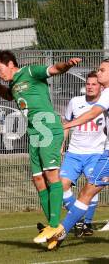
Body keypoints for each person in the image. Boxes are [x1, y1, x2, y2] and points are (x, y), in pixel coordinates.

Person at [0, 50, 81, 250]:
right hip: (34, 130)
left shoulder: (30, 71)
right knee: (38, 179)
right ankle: (53, 231)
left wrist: (68, 65)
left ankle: (54, 226)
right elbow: (9, 97)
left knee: (51, 176)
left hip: (47, 127)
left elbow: (55, 69)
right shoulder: (12, 82)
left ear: (10, 64)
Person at [35, 58, 109, 249]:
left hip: (103, 153)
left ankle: (61, 231)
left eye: (102, 70)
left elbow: (93, 114)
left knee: (87, 191)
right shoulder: (85, 99)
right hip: (83, 153)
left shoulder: (107, 93)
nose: (98, 73)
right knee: (86, 191)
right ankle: (64, 230)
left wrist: (66, 125)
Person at [60, 71, 104, 238]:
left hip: (96, 153)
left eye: (94, 84)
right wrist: (61, 144)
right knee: (62, 185)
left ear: (100, 87)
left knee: (90, 189)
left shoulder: (104, 103)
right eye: (88, 84)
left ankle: (87, 224)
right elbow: (66, 123)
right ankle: (79, 221)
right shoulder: (75, 102)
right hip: (74, 153)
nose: (90, 87)